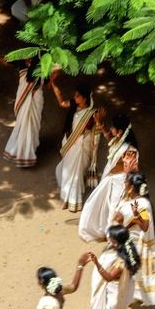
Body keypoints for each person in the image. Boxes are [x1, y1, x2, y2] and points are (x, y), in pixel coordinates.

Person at [78, 225, 141, 309]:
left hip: (115, 294)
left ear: (116, 241)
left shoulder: (120, 262)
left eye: (110, 236)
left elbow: (108, 277)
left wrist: (96, 263)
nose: (107, 237)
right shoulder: (129, 250)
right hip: (125, 289)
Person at [0, 48, 46, 167]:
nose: (27, 57)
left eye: (30, 55)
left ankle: (29, 152)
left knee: (33, 125)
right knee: (23, 123)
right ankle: (21, 152)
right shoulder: (21, 63)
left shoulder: (43, 64)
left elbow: (49, 79)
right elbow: (5, 59)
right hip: (23, 96)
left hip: (36, 97)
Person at [113, 172, 155, 306]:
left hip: (131, 242)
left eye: (126, 182)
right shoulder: (144, 202)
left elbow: (119, 220)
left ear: (131, 187)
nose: (124, 184)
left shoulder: (137, 205)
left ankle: (132, 295)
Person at [79, 114, 140, 242]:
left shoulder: (129, 149)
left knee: (114, 209)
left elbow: (133, 169)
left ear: (120, 132)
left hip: (121, 182)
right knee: (93, 203)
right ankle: (109, 233)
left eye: (113, 127)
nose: (111, 129)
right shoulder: (119, 142)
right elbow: (110, 141)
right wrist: (100, 125)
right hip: (110, 180)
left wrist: (129, 187)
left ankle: (114, 237)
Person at [52, 77, 106, 212]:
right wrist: (53, 85)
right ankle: (65, 199)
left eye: (77, 96)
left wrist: (100, 121)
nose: (75, 97)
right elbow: (61, 103)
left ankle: (74, 202)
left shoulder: (92, 114)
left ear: (85, 98)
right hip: (70, 145)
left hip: (81, 147)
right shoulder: (73, 106)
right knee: (66, 172)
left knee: (75, 175)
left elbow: (97, 131)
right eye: (75, 95)